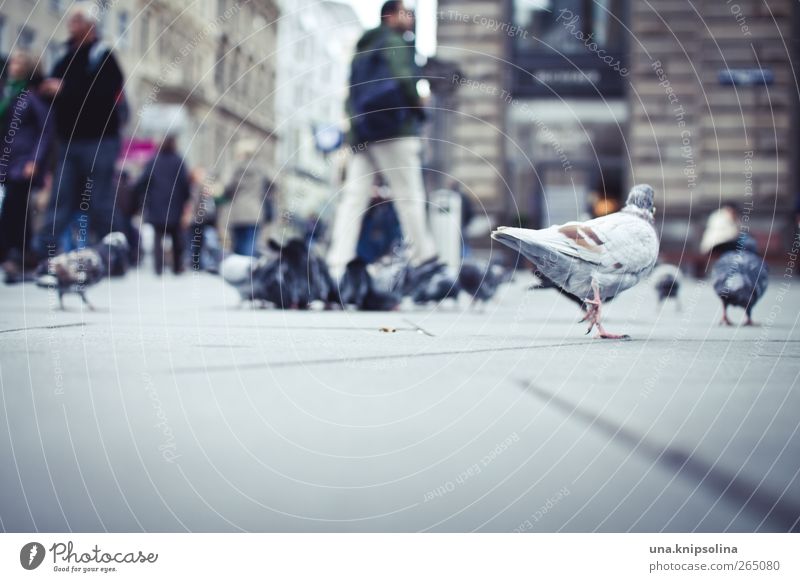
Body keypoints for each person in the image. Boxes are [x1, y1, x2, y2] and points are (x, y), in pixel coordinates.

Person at [327, 0, 448, 290]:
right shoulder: (395, 42)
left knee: (353, 199)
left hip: (363, 132)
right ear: (390, 16)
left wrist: (356, 127)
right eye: (406, 12)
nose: (411, 18)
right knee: (409, 196)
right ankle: (423, 258)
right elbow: (404, 79)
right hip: (395, 129)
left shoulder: (363, 48)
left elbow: (351, 92)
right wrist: (419, 105)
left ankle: (338, 264)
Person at [34, 2, 125, 256]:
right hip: (68, 140)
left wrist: (65, 90)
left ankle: (114, 253)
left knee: (100, 201)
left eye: (76, 20)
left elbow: (106, 95)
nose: (70, 24)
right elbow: (53, 94)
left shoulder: (103, 57)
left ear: (90, 26)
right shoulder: (64, 58)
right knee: (59, 198)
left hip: (100, 141)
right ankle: (41, 254)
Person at [0, 51, 54, 283]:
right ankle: (23, 257)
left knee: (15, 207)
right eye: (13, 60)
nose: (14, 64)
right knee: (14, 209)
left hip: (23, 163)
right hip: (7, 160)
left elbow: (46, 130)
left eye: (21, 61)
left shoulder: (32, 96)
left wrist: (35, 160)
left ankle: (16, 256)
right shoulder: (7, 93)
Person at [135, 135, 191, 275]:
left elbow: (142, 182)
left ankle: (158, 268)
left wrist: (144, 197)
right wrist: (186, 199)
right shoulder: (179, 161)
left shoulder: (153, 161)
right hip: (175, 204)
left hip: (156, 204)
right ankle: (177, 267)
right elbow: (185, 182)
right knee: (176, 236)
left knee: (157, 236)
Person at [222, 139, 273, 256]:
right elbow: (274, 183)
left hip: (237, 212)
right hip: (255, 212)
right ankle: (248, 271)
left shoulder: (235, 167)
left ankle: (238, 271)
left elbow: (227, 186)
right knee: (250, 246)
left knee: (237, 246)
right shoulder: (261, 168)